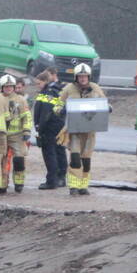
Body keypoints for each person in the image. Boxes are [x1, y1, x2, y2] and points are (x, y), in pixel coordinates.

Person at [59, 63, 106, 195]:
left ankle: (83, 186)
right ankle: (73, 186)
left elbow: (104, 102)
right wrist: (60, 109)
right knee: (75, 157)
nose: (83, 78)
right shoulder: (69, 88)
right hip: (74, 130)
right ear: (76, 77)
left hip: (90, 131)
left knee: (86, 159)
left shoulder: (95, 88)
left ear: (89, 76)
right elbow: (57, 103)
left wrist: (109, 108)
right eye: (80, 76)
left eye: (85, 76)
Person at [33, 68, 67, 189]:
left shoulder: (47, 93)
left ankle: (51, 181)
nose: (37, 86)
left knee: (49, 153)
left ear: (45, 81)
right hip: (58, 125)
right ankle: (61, 177)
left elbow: (45, 113)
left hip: (49, 128)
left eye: (39, 83)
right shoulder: (56, 91)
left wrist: (39, 129)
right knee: (59, 151)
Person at [0, 74, 32, 193]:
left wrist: (27, 130)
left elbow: (27, 116)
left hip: (17, 134)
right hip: (1, 134)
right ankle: (2, 185)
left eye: (10, 86)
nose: (8, 88)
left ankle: (19, 183)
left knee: (19, 159)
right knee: (1, 160)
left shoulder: (21, 100)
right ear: (2, 87)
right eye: (6, 86)